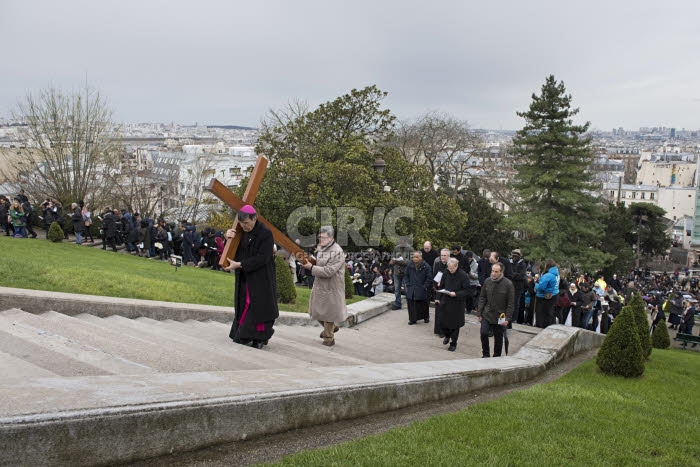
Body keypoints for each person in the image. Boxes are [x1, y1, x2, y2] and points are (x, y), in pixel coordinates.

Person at [224, 205, 278, 349]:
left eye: (247, 223)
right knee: (245, 304)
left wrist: (241, 264)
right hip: (245, 277)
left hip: (261, 277)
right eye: (241, 223)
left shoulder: (265, 233)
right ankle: (244, 334)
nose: (244, 226)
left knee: (257, 305)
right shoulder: (241, 231)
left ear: (254, 218)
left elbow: (263, 257)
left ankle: (259, 337)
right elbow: (233, 248)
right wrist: (227, 237)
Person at [301, 225, 347, 346]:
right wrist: (311, 261)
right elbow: (320, 264)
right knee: (316, 311)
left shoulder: (337, 252)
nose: (320, 239)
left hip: (332, 287)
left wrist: (311, 267)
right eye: (319, 237)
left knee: (329, 313)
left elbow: (329, 271)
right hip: (320, 285)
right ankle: (332, 328)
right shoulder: (321, 248)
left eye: (323, 237)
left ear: (331, 237)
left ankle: (329, 338)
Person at [478, 262, 514, 358]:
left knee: (498, 338)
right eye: (492, 271)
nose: (493, 273)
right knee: (484, 333)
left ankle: (496, 356)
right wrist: (480, 313)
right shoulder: (487, 281)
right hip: (487, 313)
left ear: (501, 272)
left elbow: (511, 303)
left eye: (496, 272)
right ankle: (485, 354)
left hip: (500, 315)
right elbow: (482, 297)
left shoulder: (508, 284)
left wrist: (507, 318)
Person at [435, 258, 470, 351]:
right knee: (441, 321)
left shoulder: (463, 275)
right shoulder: (446, 272)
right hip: (445, 300)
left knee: (454, 325)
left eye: (452, 269)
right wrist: (438, 298)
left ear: (456, 266)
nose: (450, 270)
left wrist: (456, 294)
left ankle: (453, 344)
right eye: (449, 268)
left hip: (457, 303)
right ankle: (447, 335)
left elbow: (467, 290)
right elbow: (441, 286)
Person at [404, 250, 432, 325]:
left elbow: (429, 278)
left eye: (417, 257)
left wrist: (424, 286)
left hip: (421, 288)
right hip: (411, 287)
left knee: (423, 304)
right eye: (414, 257)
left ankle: (426, 317)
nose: (415, 259)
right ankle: (413, 319)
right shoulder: (410, 265)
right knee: (411, 304)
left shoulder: (426, 266)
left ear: (421, 257)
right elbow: (406, 275)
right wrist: (408, 284)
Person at [534, 259, 560, 328]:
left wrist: (536, 285)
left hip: (544, 296)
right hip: (554, 294)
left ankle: (541, 326)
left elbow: (541, 287)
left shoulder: (548, 275)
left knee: (541, 313)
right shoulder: (557, 274)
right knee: (550, 313)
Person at [390, 239, 413, 310]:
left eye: (402, 243)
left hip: (406, 272)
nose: (400, 244)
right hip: (397, 272)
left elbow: (412, 260)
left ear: (405, 242)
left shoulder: (410, 249)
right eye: (399, 243)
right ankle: (398, 304)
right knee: (397, 289)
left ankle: (410, 304)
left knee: (407, 289)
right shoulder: (396, 248)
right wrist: (393, 261)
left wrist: (402, 262)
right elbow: (392, 257)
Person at [432, 248, 450, 336]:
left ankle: (444, 331)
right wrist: (436, 283)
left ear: (448, 256)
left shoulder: (451, 265)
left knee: (445, 312)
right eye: (441, 255)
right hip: (439, 290)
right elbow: (434, 276)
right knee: (438, 310)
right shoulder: (438, 264)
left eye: (445, 255)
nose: (443, 257)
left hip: (447, 290)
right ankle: (438, 330)